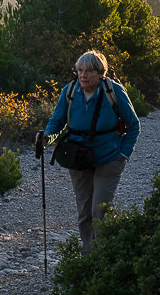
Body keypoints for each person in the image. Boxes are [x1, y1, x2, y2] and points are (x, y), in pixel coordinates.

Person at [40, 50, 140, 253]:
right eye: (80, 70)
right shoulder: (70, 91)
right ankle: (89, 254)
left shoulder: (114, 91)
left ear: (101, 73)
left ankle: (102, 253)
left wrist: (123, 156)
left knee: (100, 209)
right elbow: (58, 120)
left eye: (89, 71)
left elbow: (133, 125)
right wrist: (47, 136)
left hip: (109, 157)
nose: (83, 75)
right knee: (84, 211)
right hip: (77, 158)